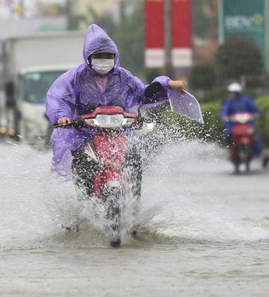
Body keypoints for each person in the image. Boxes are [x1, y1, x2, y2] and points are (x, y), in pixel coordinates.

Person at [45, 23, 187, 189]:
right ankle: (82, 200)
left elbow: (143, 93)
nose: (103, 60)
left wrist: (167, 84)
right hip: (83, 135)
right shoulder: (76, 77)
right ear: (88, 57)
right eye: (98, 56)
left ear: (115, 57)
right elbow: (58, 97)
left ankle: (133, 201)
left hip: (118, 133)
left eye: (108, 56)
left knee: (133, 158)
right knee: (83, 163)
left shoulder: (123, 77)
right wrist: (62, 116)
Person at [220, 82, 269, 167]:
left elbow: (255, 109)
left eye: (233, 92)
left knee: (254, 138)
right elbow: (224, 112)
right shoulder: (229, 103)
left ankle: (262, 156)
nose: (231, 94)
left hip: (247, 124)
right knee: (228, 134)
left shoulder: (246, 100)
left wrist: (256, 114)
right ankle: (230, 152)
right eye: (231, 92)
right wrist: (225, 117)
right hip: (234, 125)